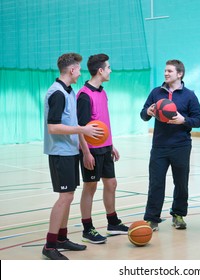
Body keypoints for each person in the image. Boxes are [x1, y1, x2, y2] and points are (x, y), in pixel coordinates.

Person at [43, 53, 104, 260]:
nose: (80, 72)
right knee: (65, 197)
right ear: (71, 70)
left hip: (70, 152)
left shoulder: (69, 92)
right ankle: (50, 245)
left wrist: (83, 145)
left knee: (68, 197)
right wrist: (82, 130)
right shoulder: (57, 93)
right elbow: (53, 127)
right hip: (60, 153)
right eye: (78, 69)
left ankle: (62, 238)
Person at [140, 59, 200, 231]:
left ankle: (178, 214)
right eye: (165, 71)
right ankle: (152, 218)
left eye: (170, 71)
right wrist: (148, 112)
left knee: (181, 183)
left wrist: (184, 120)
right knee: (156, 183)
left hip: (181, 146)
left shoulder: (189, 95)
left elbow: (198, 120)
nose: (166, 73)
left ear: (180, 74)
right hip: (159, 146)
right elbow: (143, 114)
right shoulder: (156, 93)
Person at [77, 54, 128, 244]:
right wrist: (87, 153)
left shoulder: (102, 92)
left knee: (111, 184)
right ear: (100, 70)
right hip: (91, 150)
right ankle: (87, 228)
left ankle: (112, 223)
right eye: (108, 68)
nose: (110, 71)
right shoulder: (83, 95)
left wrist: (111, 145)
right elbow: (80, 128)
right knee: (90, 187)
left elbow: (102, 122)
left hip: (105, 148)